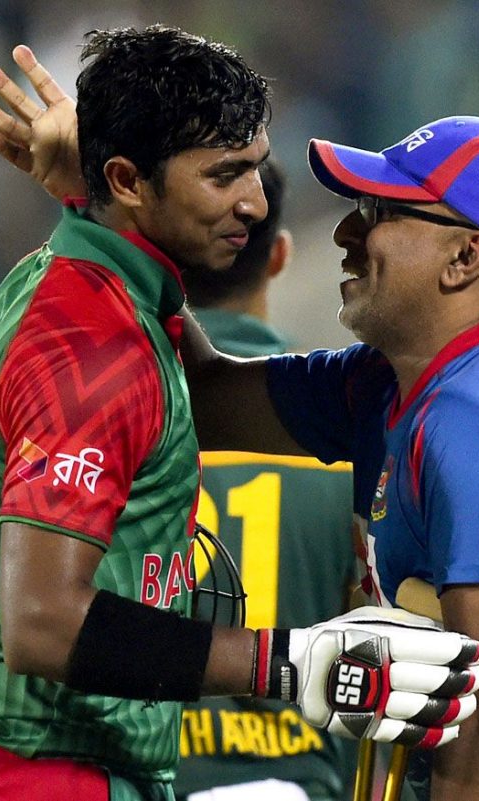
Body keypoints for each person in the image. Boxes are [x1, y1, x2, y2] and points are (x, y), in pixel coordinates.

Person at [0, 46, 479, 799]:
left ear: (466, 256)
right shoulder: (395, 384)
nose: (346, 235)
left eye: (382, 214)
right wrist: (108, 206)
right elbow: (196, 391)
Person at [0, 28, 479, 801]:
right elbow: (41, 620)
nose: (255, 199)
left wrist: (90, 194)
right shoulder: (89, 350)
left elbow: (204, 388)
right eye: (223, 176)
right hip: (28, 773)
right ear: (132, 182)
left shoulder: (112, 285)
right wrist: (292, 662)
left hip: (67, 765)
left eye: (253, 166)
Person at [176, 161, 360, 801]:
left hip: (147, 777)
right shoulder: (346, 431)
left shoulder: (105, 419)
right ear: (279, 254)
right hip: (301, 780)